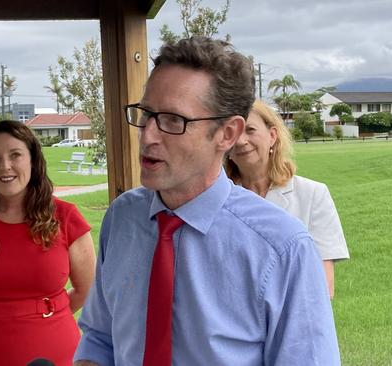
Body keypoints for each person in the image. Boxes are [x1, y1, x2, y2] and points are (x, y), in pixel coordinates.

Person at [74, 36, 340, 366]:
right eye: (146, 114)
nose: (148, 135)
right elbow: (100, 338)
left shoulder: (283, 248)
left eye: (174, 120)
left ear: (227, 134)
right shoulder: (123, 217)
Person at [0, 120, 96, 366]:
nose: (5, 166)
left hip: (54, 351)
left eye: (15, 155)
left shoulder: (66, 217)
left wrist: (47, 313)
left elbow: (86, 290)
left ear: (33, 160)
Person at [225, 100, 350, 299]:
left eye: (250, 130)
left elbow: (324, 287)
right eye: (233, 132)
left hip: (294, 320)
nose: (241, 140)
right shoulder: (217, 200)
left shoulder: (313, 195)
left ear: (272, 136)